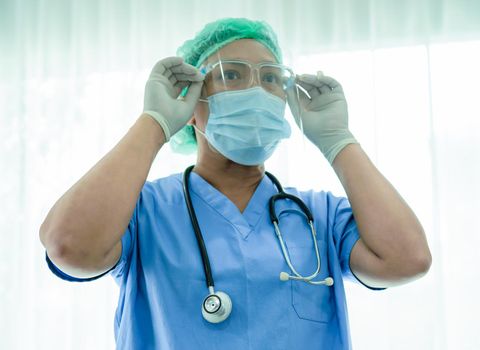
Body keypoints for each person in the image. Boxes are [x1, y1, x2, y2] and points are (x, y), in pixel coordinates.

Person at [39, 18, 432, 350]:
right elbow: (69, 245)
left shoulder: (319, 217)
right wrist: (154, 123)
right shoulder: (144, 212)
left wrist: (338, 141)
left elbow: (407, 259)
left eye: (272, 79)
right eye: (231, 74)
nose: (256, 90)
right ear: (191, 104)